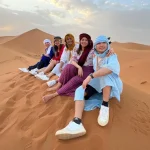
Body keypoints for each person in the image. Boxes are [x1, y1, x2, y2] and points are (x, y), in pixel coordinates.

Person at [55, 35, 123, 140]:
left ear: (107, 44)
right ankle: (77, 122)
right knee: (80, 90)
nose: (101, 45)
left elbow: (110, 69)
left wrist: (90, 76)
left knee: (106, 75)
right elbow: (80, 51)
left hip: (111, 84)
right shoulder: (95, 55)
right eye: (98, 43)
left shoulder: (112, 55)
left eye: (103, 43)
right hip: (98, 82)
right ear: (95, 45)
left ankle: (105, 106)